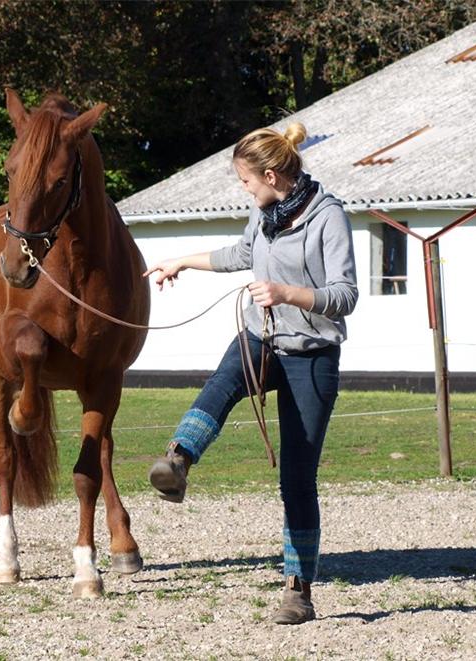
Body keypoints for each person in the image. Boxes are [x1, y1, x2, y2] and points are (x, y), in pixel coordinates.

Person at [142, 122, 358, 625]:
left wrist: (287, 293)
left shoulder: (329, 218)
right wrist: (182, 262)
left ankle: (298, 591)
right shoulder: (262, 215)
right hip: (264, 339)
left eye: (245, 182)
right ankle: (177, 461)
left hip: (313, 355)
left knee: (297, 481)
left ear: (269, 174)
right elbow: (241, 255)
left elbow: (345, 296)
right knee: (227, 374)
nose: (244, 190)